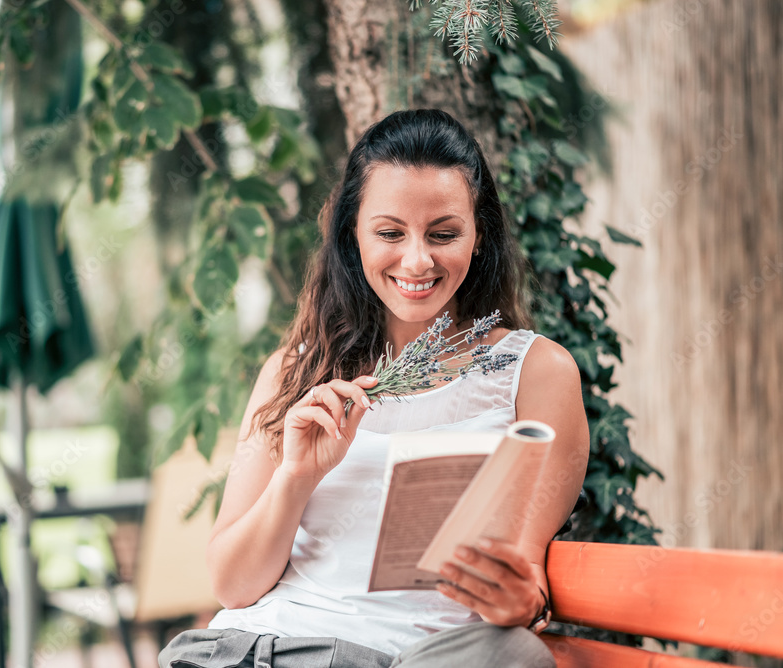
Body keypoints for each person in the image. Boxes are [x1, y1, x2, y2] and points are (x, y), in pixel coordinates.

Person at [159, 109, 589, 668]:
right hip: (253, 648)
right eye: (389, 233)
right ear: (353, 236)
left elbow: (524, 580)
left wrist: (516, 602)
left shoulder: (536, 373)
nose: (417, 260)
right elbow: (233, 586)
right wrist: (297, 476)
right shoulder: (294, 371)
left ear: (479, 235)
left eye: (444, 234)